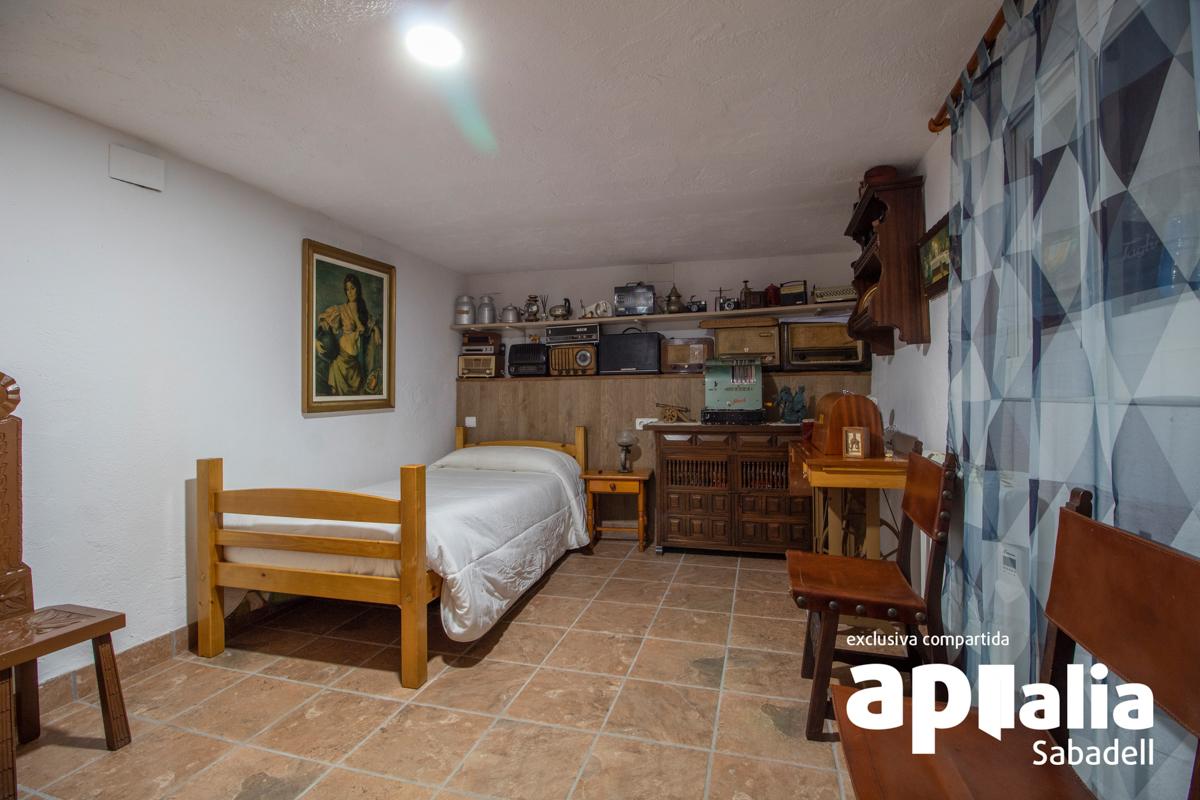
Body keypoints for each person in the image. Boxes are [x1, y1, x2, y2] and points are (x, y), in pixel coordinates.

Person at [316, 273, 382, 395]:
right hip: (340, 361)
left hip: (355, 363)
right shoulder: (341, 309)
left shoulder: (362, 311)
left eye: (352, 288)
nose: (350, 292)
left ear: (358, 289)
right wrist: (316, 340)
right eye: (347, 289)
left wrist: (376, 329)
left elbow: (370, 324)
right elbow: (322, 322)